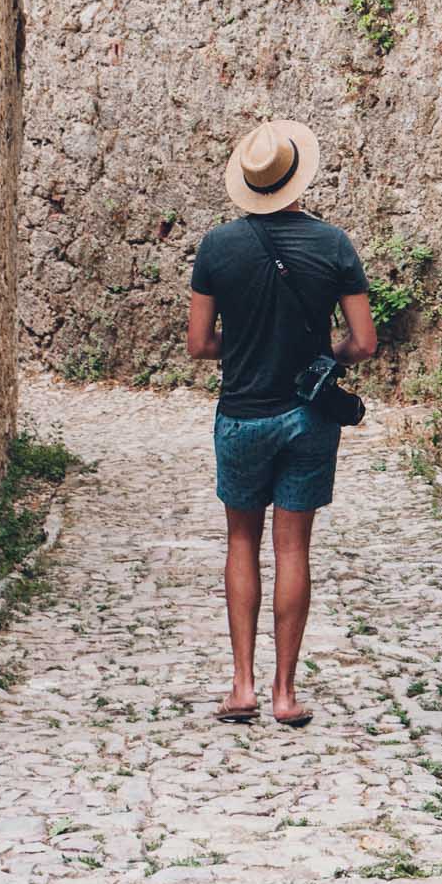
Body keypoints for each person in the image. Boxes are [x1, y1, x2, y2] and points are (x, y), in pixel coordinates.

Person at [186, 118, 376, 729]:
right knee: (293, 546)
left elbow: (198, 343)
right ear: (297, 178)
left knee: (241, 540)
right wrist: (330, 358)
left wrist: (240, 346)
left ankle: (240, 686)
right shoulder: (334, 245)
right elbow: (365, 342)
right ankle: (284, 694)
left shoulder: (217, 247)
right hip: (307, 415)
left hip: (242, 414)